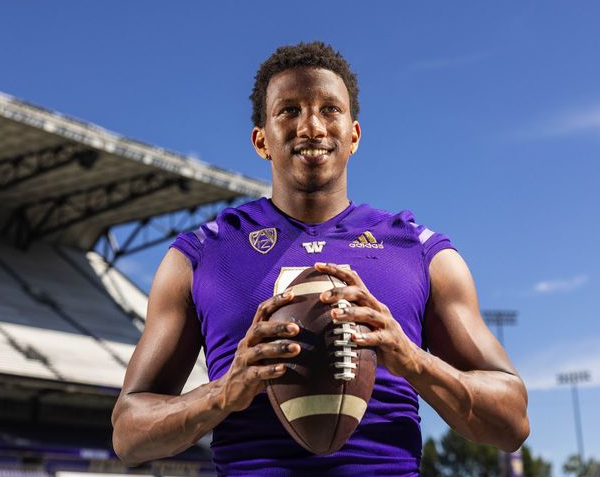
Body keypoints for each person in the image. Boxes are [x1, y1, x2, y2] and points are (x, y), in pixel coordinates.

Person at [111, 42, 529, 476]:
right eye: (288, 111)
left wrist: (413, 360)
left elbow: (512, 422)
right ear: (261, 140)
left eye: (330, 109)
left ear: (354, 134)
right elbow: (128, 433)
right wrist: (221, 393)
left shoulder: (421, 253)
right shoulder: (201, 256)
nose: (311, 126)